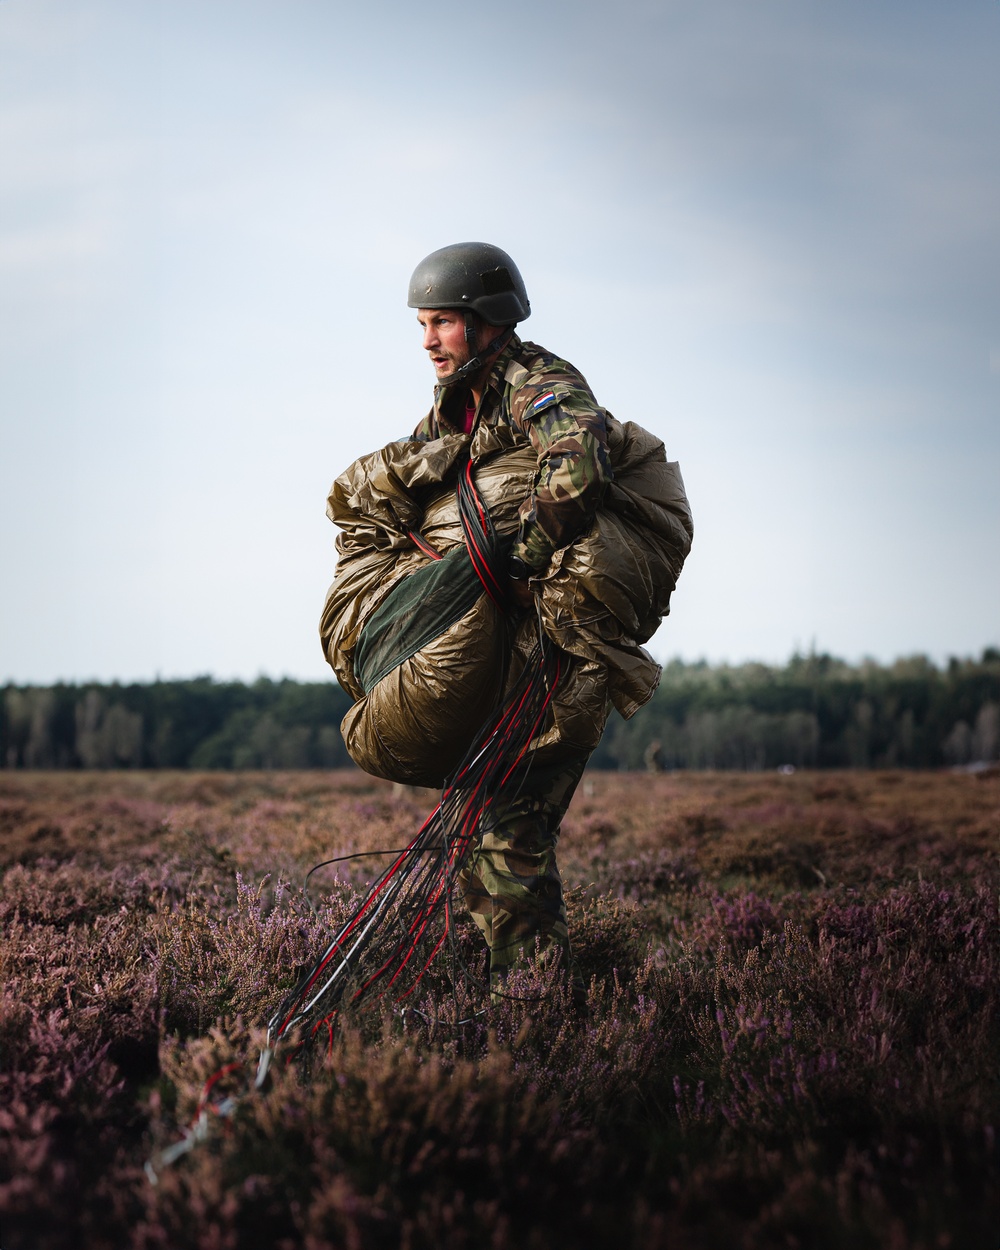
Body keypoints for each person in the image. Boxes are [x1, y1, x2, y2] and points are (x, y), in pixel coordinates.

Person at [321, 242, 693, 1006]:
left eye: (444, 322)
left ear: (489, 321)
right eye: (423, 324)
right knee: (488, 836)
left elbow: (579, 459)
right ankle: (531, 1002)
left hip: (555, 661)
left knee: (506, 837)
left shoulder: (540, 382)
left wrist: (516, 562)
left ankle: (539, 1019)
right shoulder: (456, 406)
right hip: (511, 660)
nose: (428, 339)